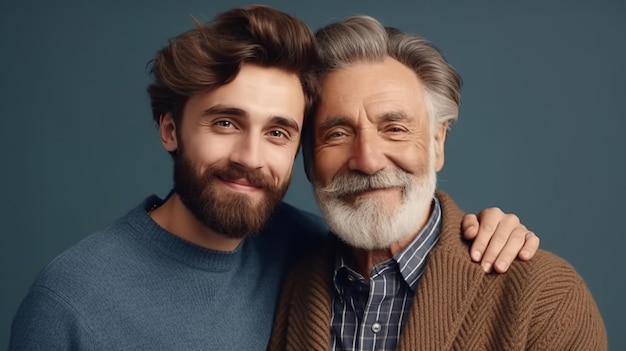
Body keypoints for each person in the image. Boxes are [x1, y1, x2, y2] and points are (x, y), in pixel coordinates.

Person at [9, 6, 539, 351]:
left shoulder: (308, 249)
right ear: (170, 128)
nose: (250, 156)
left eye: (279, 132)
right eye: (225, 122)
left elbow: (399, 234)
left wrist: (481, 230)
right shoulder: (70, 301)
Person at [269, 15, 607, 351]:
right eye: (337, 134)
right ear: (309, 159)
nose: (368, 161)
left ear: (437, 143)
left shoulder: (546, 300)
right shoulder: (279, 280)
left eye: (395, 129)